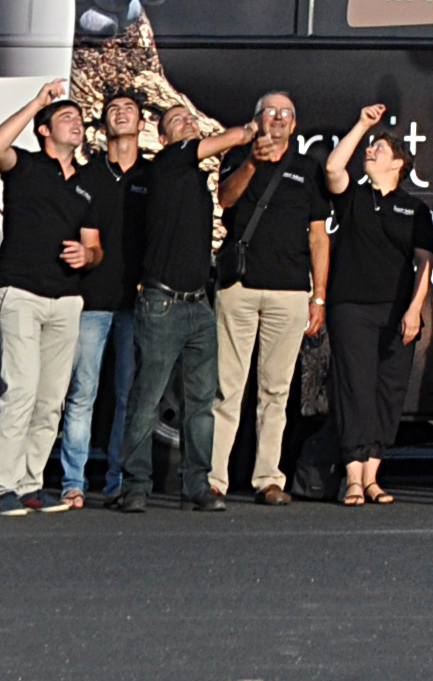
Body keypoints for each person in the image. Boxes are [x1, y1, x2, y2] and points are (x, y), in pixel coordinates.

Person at [115, 103, 254, 514]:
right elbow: (228, 138)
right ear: (162, 138)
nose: (188, 123)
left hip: (199, 303)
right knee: (147, 397)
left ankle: (197, 484)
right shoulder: (167, 162)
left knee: (201, 401)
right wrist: (248, 131)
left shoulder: (195, 178)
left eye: (190, 119)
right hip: (162, 302)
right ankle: (136, 483)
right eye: (177, 122)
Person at [0, 83, 102, 518]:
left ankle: (32, 485)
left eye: (79, 120)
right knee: (22, 390)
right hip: (20, 291)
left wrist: (87, 255)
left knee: (52, 397)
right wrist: (38, 101)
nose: (78, 124)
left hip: (67, 299)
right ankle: (3, 487)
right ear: (44, 130)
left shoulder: (87, 185)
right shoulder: (26, 165)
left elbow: (95, 246)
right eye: (67, 118)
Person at [208, 89, 329, 508]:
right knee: (227, 388)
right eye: (270, 111)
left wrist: (319, 298)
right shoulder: (241, 161)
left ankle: (268, 478)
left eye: (285, 113)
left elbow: (319, 237)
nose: (277, 118)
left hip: (291, 291)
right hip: (239, 288)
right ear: (257, 120)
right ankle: (215, 479)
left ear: (294, 125)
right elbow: (223, 200)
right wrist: (253, 162)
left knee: (275, 391)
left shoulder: (308, 170)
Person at [321, 106, 433, 504]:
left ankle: (373, 475)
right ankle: (352, 476)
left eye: (380, 150)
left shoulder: (414, 208)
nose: (370, 152)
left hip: (396, 311)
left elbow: (425, 262)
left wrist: (414, 309)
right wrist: (364, 126)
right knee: (355, 388)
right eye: (370, 149)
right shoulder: (352, 197)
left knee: (389, 390)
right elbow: (334, 168)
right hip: (351, 306)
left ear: (400, 164)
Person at [59, 91, 149, 509]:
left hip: (137, 302)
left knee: (128, 394)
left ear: (142, 124)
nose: (121, 114)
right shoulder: (87, 175)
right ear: (103, 126)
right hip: (90, 299)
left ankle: (116, 480)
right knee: (83, 393)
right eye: (113, 110)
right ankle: (73, 482)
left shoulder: (153, 177)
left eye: (129, 109)